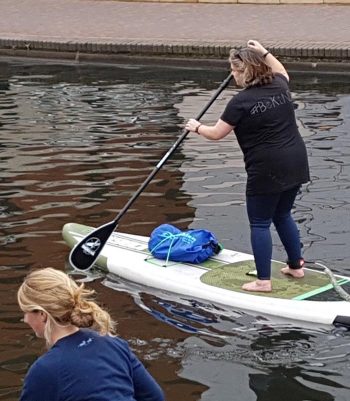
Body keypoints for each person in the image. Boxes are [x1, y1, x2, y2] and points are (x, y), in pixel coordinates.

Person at [185, 39, 310, 292]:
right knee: (283, 214)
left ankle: (263, 281)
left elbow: (217, 133)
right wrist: (263, 51)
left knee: (260, 223)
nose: (232, 74)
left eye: (234, 70)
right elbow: (282, 69)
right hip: (296, 160)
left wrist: (196, 127)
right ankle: (296, 267)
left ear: (246, 71)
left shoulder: (240, 102)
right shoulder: (279, 84)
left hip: (266, 169)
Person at [17, 267, 165, 401]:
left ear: (42, 314)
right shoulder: (112, 342)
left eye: (25, 312)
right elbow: (154, 397)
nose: (24, 320)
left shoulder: (44, 370)